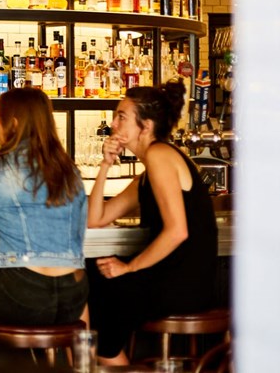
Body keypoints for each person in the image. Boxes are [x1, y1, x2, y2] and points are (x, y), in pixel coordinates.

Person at [86, 81, 218, 364]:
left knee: (101, 292)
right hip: (171, 276)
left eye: (122, 116)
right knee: (93, 277)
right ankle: (110, 356)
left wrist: (128, 267)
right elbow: (96, 219)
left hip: (184, 282)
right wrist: (106, 164)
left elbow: (177, 232)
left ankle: (108, 355)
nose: (114, 123)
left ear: (145, 126)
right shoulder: (148, 172)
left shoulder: (160, 156)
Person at [0, 88, 88, 326]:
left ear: (14, 124)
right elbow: (79, 237)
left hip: (20, 296)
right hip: (73, 297)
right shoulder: (71, 172)